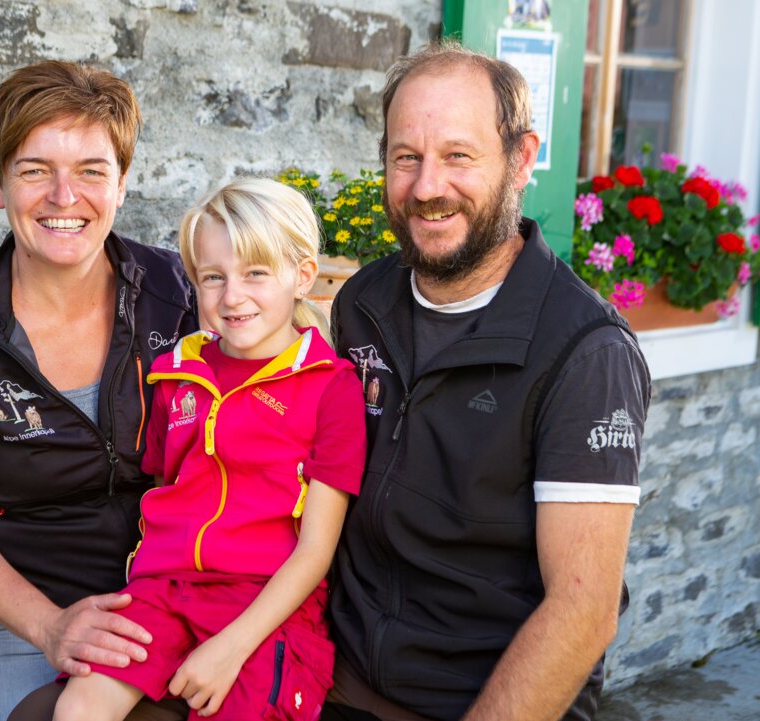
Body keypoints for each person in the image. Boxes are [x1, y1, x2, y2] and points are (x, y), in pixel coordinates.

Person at [321, 40, 651, 721]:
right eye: (405, 157)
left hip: (478, 699)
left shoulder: (584, 351)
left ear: (521, 158)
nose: (426, 187)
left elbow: (582, 611)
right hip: (338, 679)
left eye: (457, 156)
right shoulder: (361, 304)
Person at [0, 60, 197, 721]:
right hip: (13, 618)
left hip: (171, 601)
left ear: (121, 182)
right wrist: (51, 626)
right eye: (35, 169)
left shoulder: (183, 299)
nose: (65, 196)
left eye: (91, 169)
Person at [38, 177, 366, 721]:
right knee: (79, 706)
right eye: (213, 278)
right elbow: (167, 483)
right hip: (162, 592)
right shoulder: (177, 375)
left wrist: (230, 646)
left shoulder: (330, 388)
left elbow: (315, 551)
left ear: (303, 276)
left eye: (256, 274)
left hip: (263, 606)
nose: (232, 297)